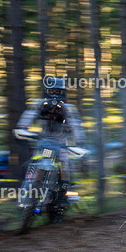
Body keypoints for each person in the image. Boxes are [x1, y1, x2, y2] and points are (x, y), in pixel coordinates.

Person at [15, 77, 85, 208]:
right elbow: (29, 114)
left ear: (63, 92)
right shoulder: (39, 104)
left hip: (61, 143)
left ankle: (67, 193)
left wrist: (79, 142)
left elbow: (76, 125)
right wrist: (22, 128)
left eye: (57, 91)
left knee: (65, 164)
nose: (54, 94)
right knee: (33, 162)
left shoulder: (68, 108)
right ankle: (27, 194)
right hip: (44, 142)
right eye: (51, 90)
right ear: (46, 91)